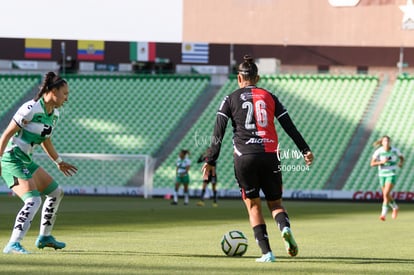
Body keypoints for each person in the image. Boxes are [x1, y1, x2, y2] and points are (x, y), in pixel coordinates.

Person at [202, 55, 314, 262]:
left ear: (239, 78)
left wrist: (211, 159)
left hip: (245, 157)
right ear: (258, 77)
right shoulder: (270, 97)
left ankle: (267, 253)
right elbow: (289, 126)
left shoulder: (229, 98)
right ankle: (285, 228)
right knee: (276, 203)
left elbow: (218, 132)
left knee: (253, 205)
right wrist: (304, 149)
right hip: (270, 155)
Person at [0, 72, 78, 254]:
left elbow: (45, 140)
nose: (67, 97)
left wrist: (58, 161)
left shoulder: (55, 114)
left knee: (56, 192)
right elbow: (6, 134)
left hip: (26, 160)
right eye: (64, 93)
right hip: (11, 159)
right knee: (33, 200)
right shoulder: (30, 108)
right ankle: (13, 244)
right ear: (52, 90)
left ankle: (44, 237)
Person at [370, 135, 404, 221]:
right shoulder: (378, 151)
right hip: (382, 174)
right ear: (382, 142)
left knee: (386, 193)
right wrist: (381, 162)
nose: (386, 142)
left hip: (391, 174)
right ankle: (395, 207)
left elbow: (402, 157)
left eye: (388, 141)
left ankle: (383, 214)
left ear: (390, 142)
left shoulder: (395, 150)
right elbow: (372, 163)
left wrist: (400, 163)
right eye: (385, 141)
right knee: (386, 195)